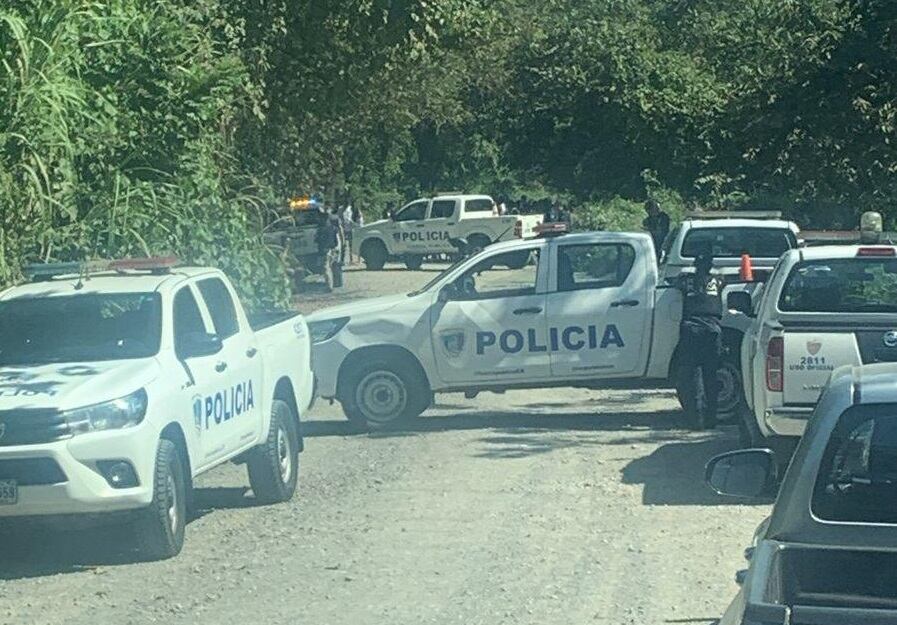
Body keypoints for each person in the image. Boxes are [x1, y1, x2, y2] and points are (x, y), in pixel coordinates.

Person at [676, 249, 723, 429]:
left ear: (695, 266)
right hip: (712, 330)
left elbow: (675, 282)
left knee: (693, 375)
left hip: (691, 329)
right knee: (711, 375)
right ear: (711, 266)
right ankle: (712, 419)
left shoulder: (685, 280)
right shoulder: (719, 280)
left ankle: (696, 419)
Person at [314, 206, 343, 291]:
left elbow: (317, 240)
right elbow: (338, 240)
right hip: (334, 250)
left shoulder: (321, 230)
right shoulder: (333, 228)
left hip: (326, 251)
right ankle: (334, 283)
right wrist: (339, 249)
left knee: (326, 268)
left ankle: (329, 286)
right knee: (333, 267)